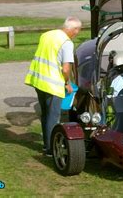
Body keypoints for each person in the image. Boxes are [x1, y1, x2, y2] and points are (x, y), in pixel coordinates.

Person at [24, 16, 82, 156]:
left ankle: (46, 145)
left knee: (45, 115)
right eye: (78, 31)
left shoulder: (47, 35)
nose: (77, 34)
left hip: (39, 81)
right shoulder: (67, 43)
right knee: (53, 117)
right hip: (53, 84)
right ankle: (51, 150)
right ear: (73, 29)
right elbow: (66, 69)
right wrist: (67, 83)